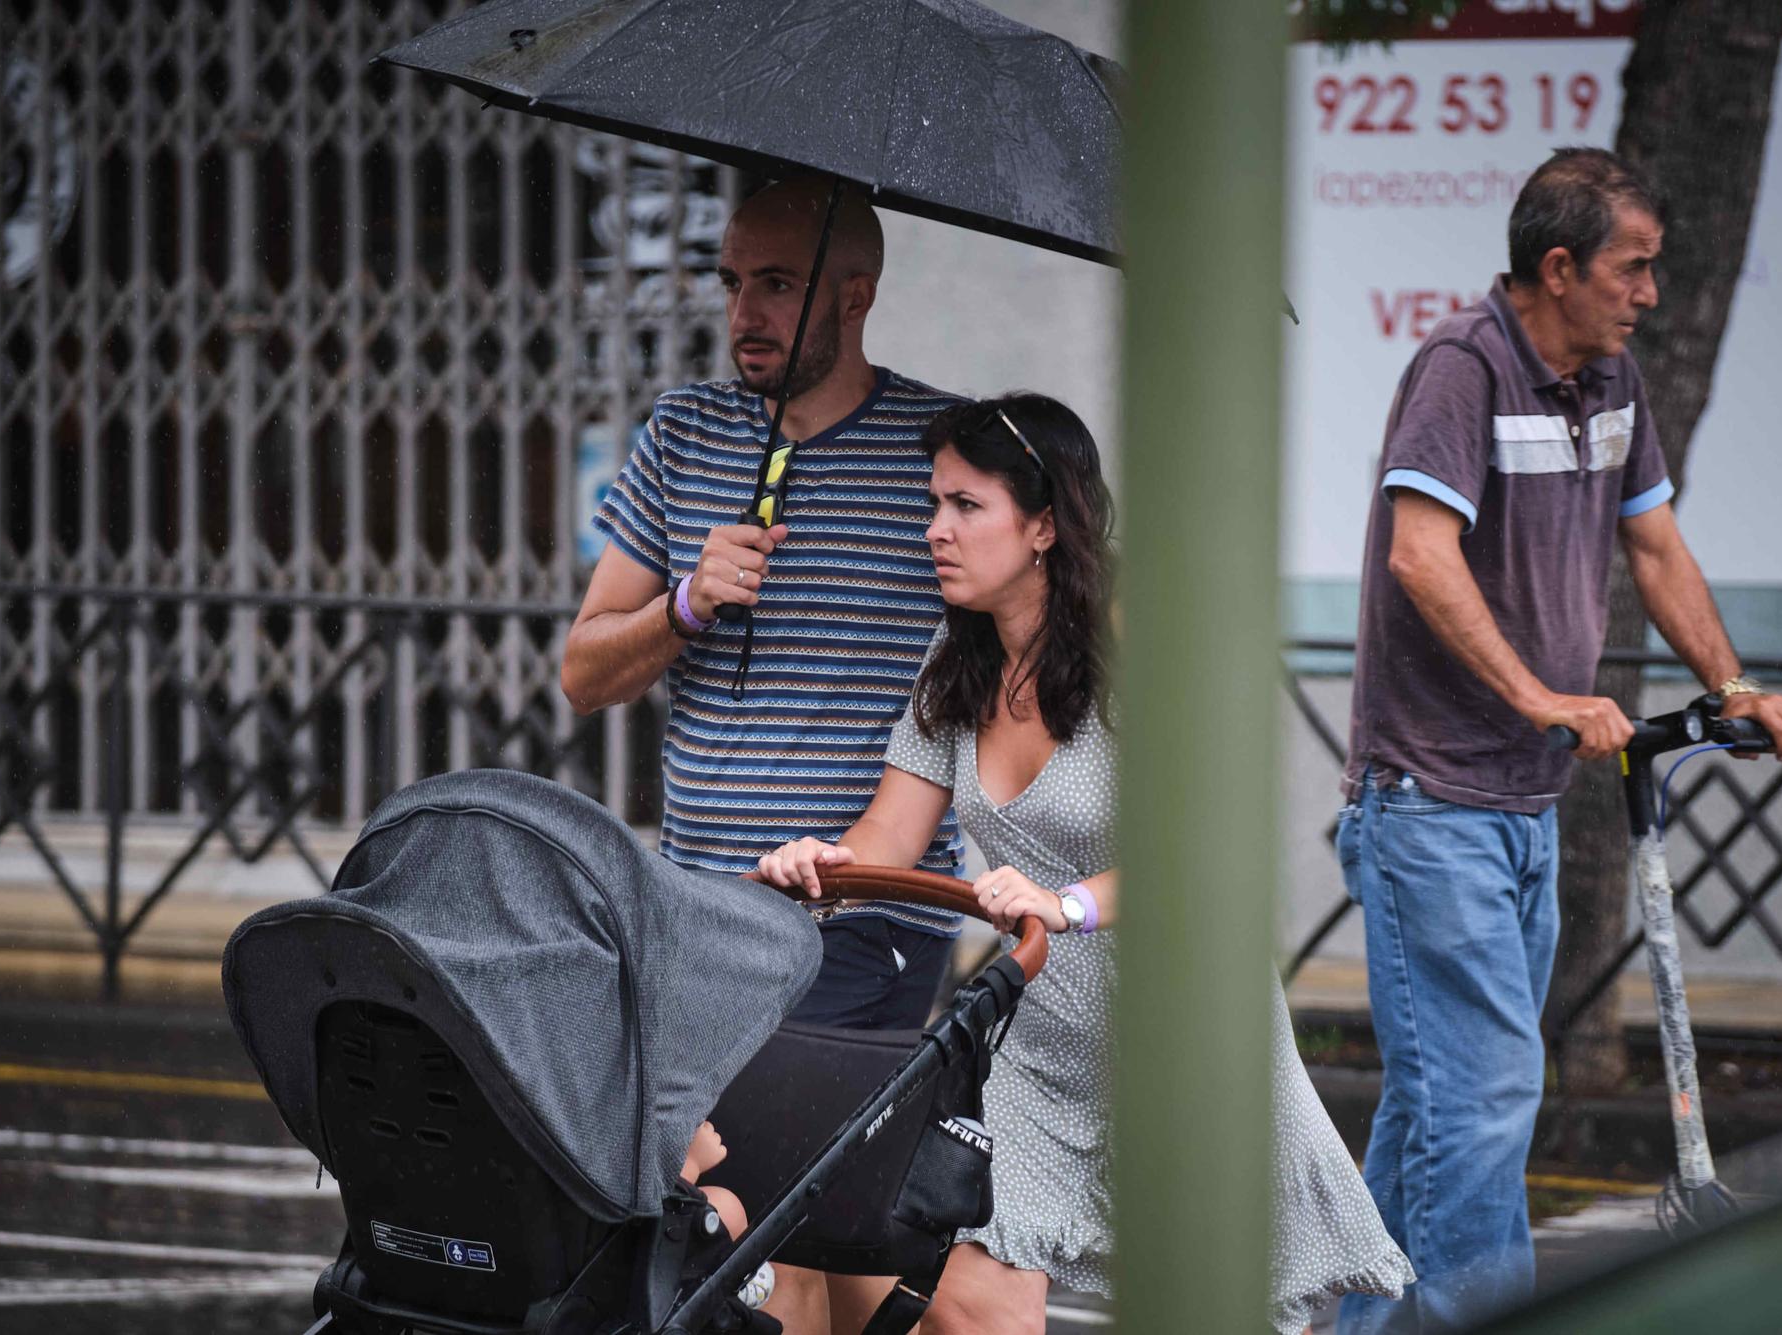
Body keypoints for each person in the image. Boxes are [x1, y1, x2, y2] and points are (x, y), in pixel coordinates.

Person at [759, 393, 1415, 1335]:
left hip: (1184, 1042)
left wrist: (1065, 903)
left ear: (1044, 524)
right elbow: (886, 841)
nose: (936, 531)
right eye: (932, 504)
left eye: (965, 506)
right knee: (954, 1281)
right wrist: (820, 865)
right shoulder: (957, 665)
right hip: (1041, 1038)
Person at [1334, 147, 1782, 1335]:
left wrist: (1732, 680)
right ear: (1557, 267)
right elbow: (1418, 554)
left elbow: (1652, 547)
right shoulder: (1462, 367)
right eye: (1631, 269)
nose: (1649, 293)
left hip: (1519, 806)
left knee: (1435, 1107)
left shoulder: (1612, 384)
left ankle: (1350, 1324)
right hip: (1426, 801)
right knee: (1484, 1096)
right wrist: (1541, 696)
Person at [560, 175, 965, 1335]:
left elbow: (1039, 629)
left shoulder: (938, 455)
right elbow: (584, 671)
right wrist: (683, 603)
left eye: (777, 286)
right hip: (700, 912)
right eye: (733, 280)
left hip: (865, 913)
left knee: (774, 1222)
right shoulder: (683, 435)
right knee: (815, 1246)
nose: (744, 311)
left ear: (855, 295)